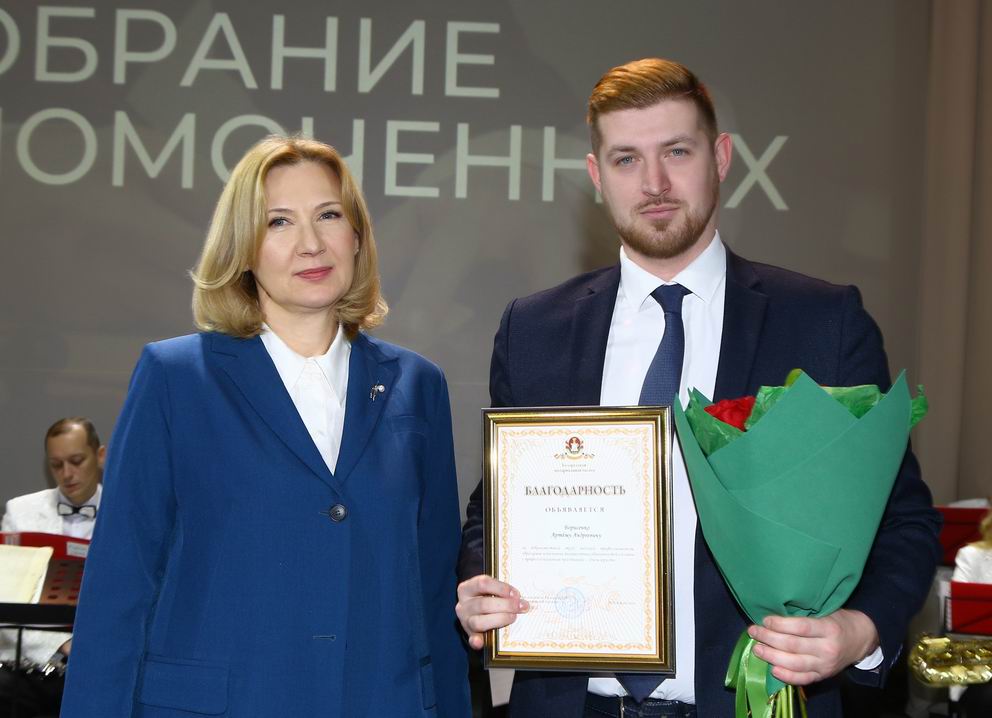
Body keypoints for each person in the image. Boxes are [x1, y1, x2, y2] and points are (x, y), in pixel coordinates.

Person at [455, 58, 941, 717]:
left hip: (753, 700)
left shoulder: (822, 324)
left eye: (676, 152)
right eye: (626, 159)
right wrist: (481, 584)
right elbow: (494, 508)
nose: (653, 183)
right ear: (597, 176)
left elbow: (903, 519)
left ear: (721, 157)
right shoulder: (533, 329)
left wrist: (861, 630)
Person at [59, 136, 470, 717]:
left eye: (329, 215)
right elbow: (120, 586)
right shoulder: (175, 377)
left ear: (356, 235)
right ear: (244, 250)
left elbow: (433, 589)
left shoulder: (418, 384)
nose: (311, 243)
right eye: (279, 222)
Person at [0, 417, 104, 716]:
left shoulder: (127, 512)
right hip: (25, 672)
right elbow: (10, 600)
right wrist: (63, 644)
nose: (67, 474)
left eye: (76, 461)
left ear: (100, 456)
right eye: (56, 465)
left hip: (100, 668)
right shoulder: (21, 511)